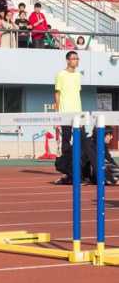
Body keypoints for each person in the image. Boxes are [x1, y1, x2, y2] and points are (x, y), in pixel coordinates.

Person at [54, 51, 83, 185]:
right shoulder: (61, 74)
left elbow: (77, 94)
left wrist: (80, 113)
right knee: (66, 141)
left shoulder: (78, 75)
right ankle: (67, 170)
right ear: (67, 60)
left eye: (77, 59)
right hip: (65, 113)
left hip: (77, 113)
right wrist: (57, 112)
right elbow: (57, 93)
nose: (76, 61)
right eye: (73, 59)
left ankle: (81, 168)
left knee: (83, 140)